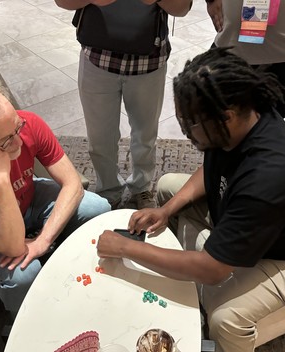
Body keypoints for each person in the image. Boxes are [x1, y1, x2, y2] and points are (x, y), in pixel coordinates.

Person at [96, 48, 285, 352]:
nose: (186, 131)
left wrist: (126, 248)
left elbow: (215, 270)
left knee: (225, 318)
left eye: (190, 124)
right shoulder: (241, 122)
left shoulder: (269, 176)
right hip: (252, 218)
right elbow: (216, 170)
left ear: (226, 117)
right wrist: (166, 209)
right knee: (168, 186)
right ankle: (188, 264)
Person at [0, 74, 110, 318]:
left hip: (28, 195)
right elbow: (12, 246)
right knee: (23, 274)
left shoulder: (28, 123)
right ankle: (22, 318)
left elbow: (73, 184)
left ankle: (68, 264)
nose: (18, 141)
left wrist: (43, 241)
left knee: (97, 208)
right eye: (5, 140)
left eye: (17, 127)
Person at [55, 0, 191, 209]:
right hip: (97, 58)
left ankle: (141, 187)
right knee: (100, 137)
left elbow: (182, 8)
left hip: (149, 61)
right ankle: (108, 189)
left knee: (145, 135)